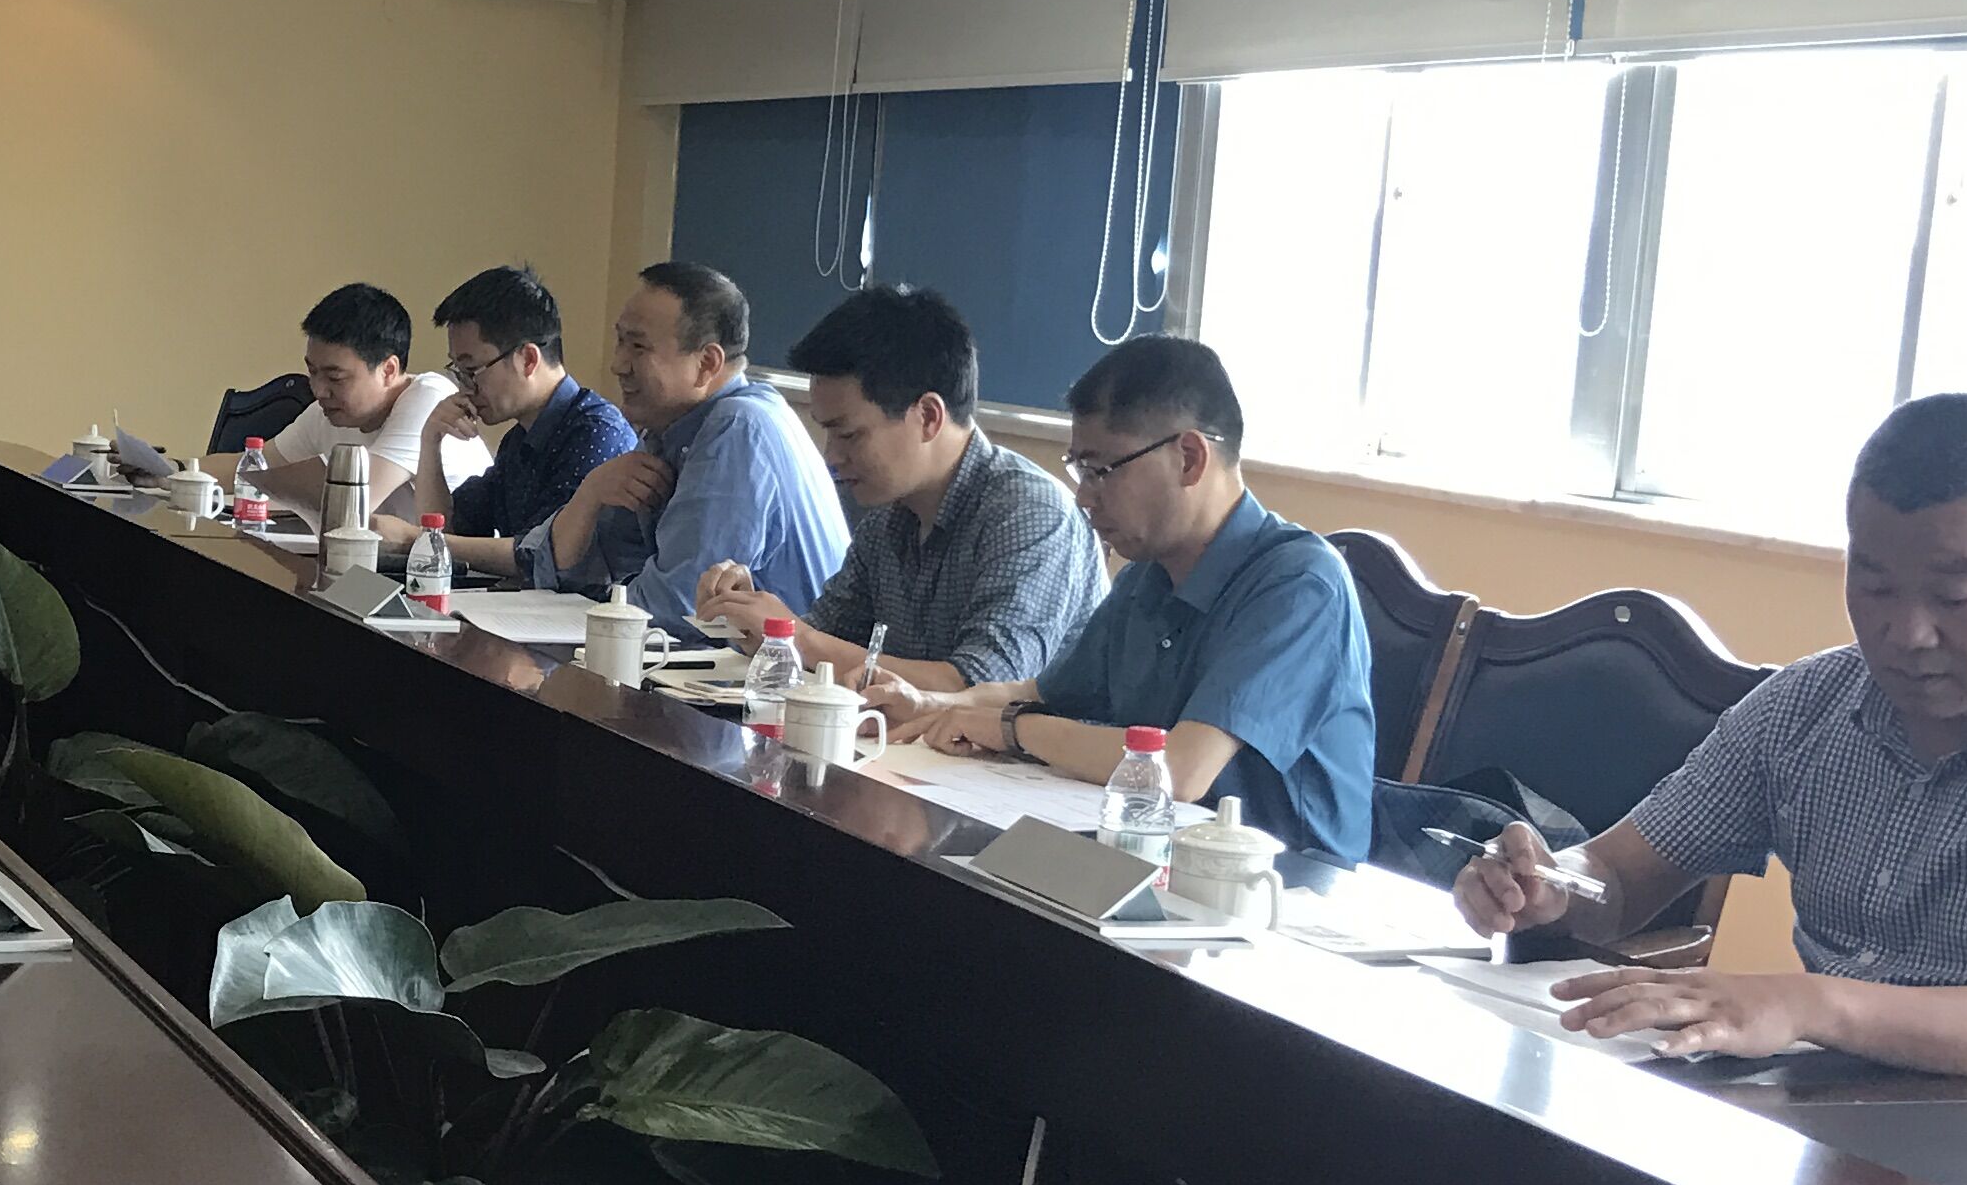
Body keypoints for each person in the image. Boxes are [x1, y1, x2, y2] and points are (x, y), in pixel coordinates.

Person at [1448, 394, 1967, 1132]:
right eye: (1873, 586)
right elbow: (1620, 878)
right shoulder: (1811, 706)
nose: (1907, 633)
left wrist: (1805, 1004)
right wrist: (1552, 886)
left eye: (1955, 596)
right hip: (1832, 1137)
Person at [894, 336, 1373, 865]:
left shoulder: (1300, 584)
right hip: (1150, 854)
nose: (1083, 496)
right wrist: (933, 705)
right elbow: (1041, 693)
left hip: (1283, 882)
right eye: (1079, 469)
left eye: (1100, 470)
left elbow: (1182, 770)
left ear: (1189, 458)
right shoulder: (1147, 574)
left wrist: (1011, 730)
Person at [694, 283, 1099, 693]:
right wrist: (755, 624)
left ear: (928, 416)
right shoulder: (887, 520)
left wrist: (798, 638)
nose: (831, 457)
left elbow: (981, 688)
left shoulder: (1031, 515)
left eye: (849, 435)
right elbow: (825, 644)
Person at [518, 262, 846, 623]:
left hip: (772, 658)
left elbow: (678, 607)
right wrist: (590, 493)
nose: (618, 365)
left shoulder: (738, 428)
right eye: (620, 341)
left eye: (638, 347)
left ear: (706, 363)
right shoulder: (668, 428)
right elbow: (565, 565)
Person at [413, 264, 636, 583]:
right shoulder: (518, 441)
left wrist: (414, 541)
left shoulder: (596, 433)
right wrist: (430, 440)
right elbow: (449, 530)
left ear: (528, 359)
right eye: (459, 372)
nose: (465, 388)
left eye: (471, 370)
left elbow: (539, 557)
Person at [260, 284, 481, 525]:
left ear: (388, 371)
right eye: (312, 372)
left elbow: (353, 505)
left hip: (455, 548)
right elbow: (254, 466)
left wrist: (264, 493)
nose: (319, 390)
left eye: (335, 378)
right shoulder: (329, 410)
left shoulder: (429, 398)